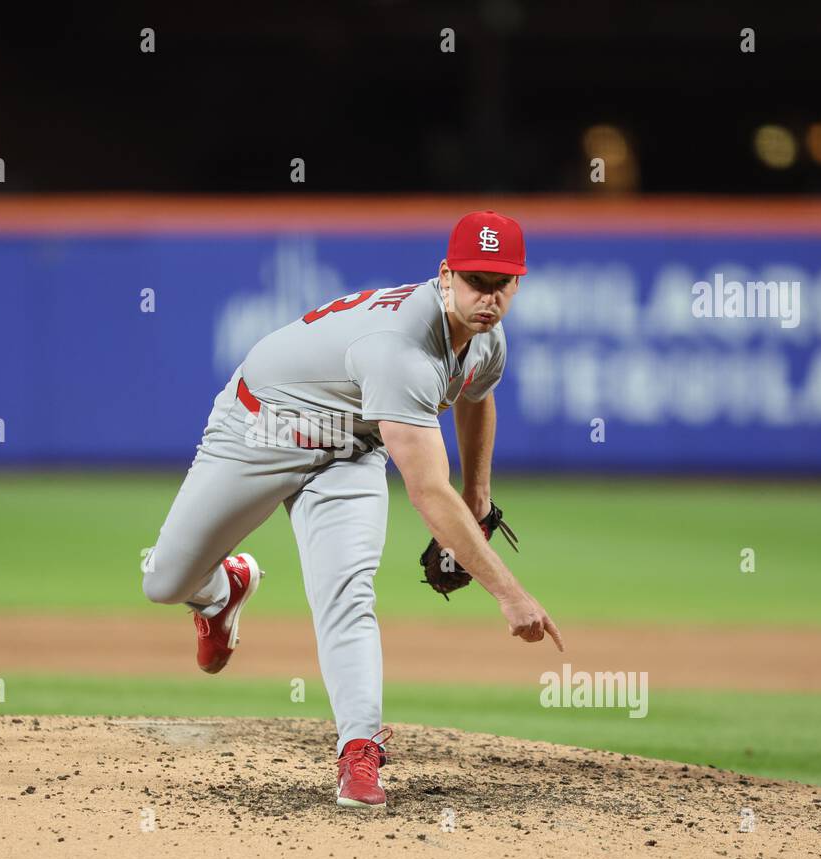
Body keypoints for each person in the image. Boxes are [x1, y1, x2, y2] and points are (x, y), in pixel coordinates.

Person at [141, 210, 562, 808]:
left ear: (516, 285)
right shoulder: (401, 350)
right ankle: (220, 592)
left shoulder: (485, 334)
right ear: (446, 276)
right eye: (474, 280)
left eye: (500, 283)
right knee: (163, 582)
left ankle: (360, 751)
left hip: (350, 449)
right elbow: (425, 492)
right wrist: (510, 593)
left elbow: (475, 395)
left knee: (347, 592)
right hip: (261, 428)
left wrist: (480, 495)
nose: (487, 296)